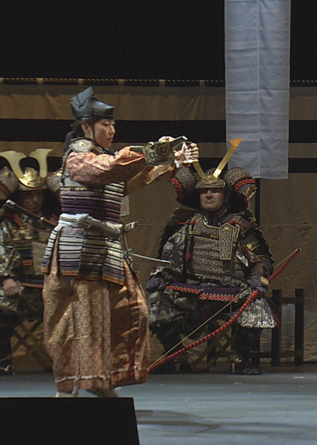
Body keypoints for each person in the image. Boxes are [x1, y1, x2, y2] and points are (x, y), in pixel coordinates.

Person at [42, 87, 197, 397]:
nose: (112, 131)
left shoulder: (103, 158)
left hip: (105, 249)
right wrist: (159, 151)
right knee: (83, 320)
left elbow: (130, 180)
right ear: (86, 126)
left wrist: (173, 159)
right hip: (79, 253)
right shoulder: (78, 157)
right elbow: (110, 170)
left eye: (113, 125)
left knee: (131, 311)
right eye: (105, 125)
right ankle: (74, 387)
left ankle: (100, 380)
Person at [145, 160, 275, 375]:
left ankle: (244, 358)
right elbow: (168, 258)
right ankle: (175, 354)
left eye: (214, 191)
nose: (208, 195)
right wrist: (159, 276)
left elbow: (261, 259)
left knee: (256, 304)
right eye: (204, 191)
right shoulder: (185, 223)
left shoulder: (241, 225)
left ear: (225, 196)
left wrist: (258, 278)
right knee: (155, 302)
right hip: (192, 292)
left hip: (232, 293)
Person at [0, 149, 60, 374]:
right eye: (28, 195)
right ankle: (3, 361)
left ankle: (68, 364)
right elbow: (2, 250)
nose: (34, 200)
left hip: (53, 291)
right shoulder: (9, 224)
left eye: (38, 194)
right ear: (20, 197)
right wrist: (6, 278)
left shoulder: (55, 224)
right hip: (21, 290)